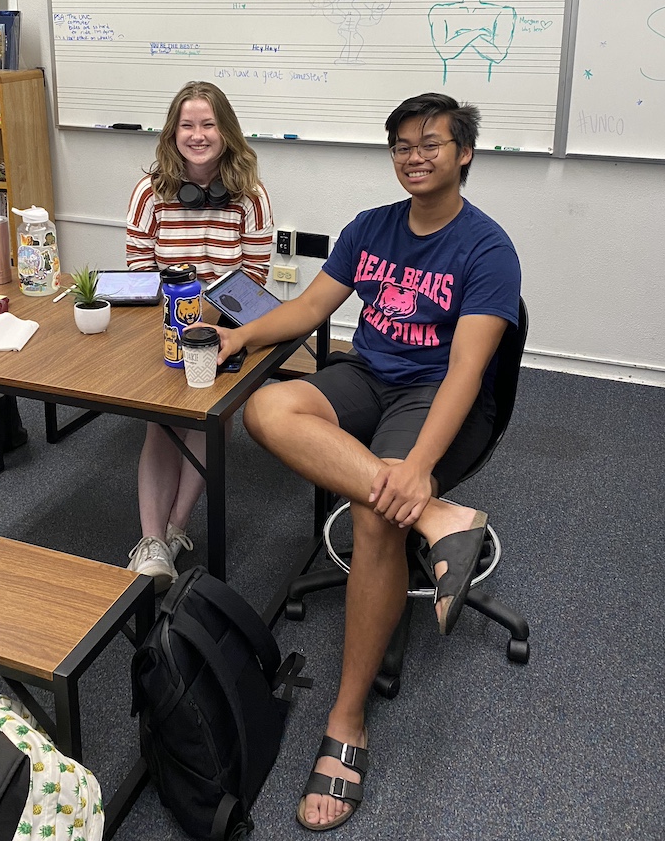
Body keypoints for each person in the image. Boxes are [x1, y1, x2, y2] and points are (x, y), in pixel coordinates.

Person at [214, 91, 521, 832]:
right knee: (266, 409)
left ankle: (346, 723)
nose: (414, 157)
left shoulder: (487, 249)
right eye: (402, 147)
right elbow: (309, 310)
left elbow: (466, 375)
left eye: (431, 144)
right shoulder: (371, 227)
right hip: (368, 377)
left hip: (435, 396)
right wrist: (237, 339)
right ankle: (443, 519)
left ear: (464, 153)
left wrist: (417, 465)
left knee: (379, 517)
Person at [125, 81, 274, 590]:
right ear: (173, 133)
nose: (197, 134)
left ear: (225, 132)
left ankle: (174, 530)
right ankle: (150, 542)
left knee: (210, 418)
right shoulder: (150, 192)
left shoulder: (250, 197)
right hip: (165, 324)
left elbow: (255, 277)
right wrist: (176, 315)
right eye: (187, 125)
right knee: (160, 421)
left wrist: (208, 316)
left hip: (225, 329)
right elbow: (138, 270)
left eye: (208, 124)